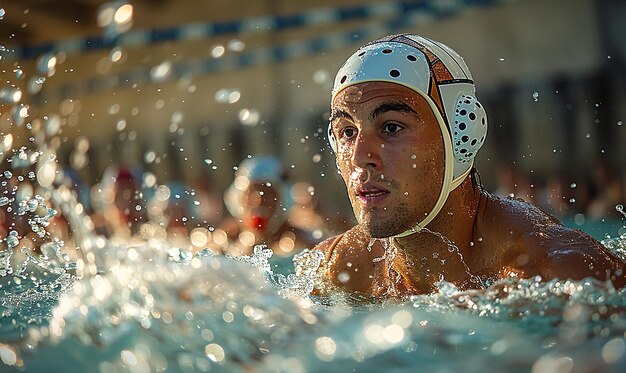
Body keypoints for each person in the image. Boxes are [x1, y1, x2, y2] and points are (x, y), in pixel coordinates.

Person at [313, 34, 625, 298]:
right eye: (347, 132)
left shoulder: (560, 274)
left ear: (462, 135)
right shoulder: (336, 269)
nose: (358, 157)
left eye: (391, 128)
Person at [215, 155, 318, 257]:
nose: (258, 200)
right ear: (238, 198)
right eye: (250, 192)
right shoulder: (225, 237)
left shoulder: (299, 241)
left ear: (282, 199)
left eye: (267, 192)